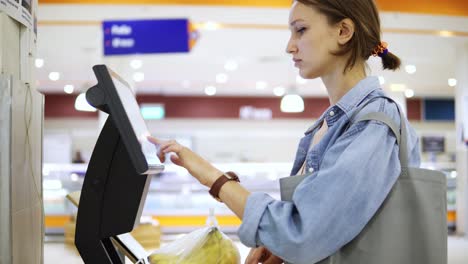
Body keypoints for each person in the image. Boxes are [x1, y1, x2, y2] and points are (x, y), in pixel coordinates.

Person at [148, 0, 421, 263]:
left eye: (300, 30)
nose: (290, 46)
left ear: (343, 31)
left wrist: (213, 178)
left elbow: (302, 233)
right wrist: (279, 247)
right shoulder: (331, 124)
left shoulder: (374, 122)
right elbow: (323, 224)